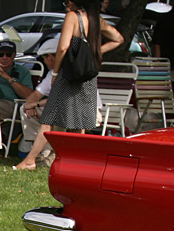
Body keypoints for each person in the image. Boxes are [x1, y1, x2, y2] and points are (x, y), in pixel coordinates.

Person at [15, 0, 122, 170]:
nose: (65, 4)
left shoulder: (73, 16)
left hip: (69, 73)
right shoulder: (96, 19)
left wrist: (56, 73)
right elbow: (118, 39)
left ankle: (30, 160)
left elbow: (63, 48)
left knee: (48, 118)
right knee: (81, 122)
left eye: (67, 1)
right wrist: (95, 51)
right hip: (87, 75)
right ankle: (75, 161)